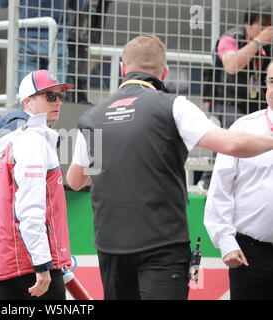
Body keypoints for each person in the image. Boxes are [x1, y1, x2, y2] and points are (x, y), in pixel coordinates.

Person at [67, 34, 273, 300]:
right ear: (164, 72)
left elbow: (76, 179)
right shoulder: (173, 106)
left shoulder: (93, 117)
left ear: (122, 69)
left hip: (111, 247)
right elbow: (230, 144)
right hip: (161, 246)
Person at [0, 69, 74, 299]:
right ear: (28, 102)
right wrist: (42, 265)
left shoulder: (18, 140)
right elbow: (30, 209)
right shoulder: (32, 141)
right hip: (34, 269)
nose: (58, 102)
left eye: (60, 96)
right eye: (50, 96)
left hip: (14, 266)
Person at [204, 61, 273, 300]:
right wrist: (226, 241)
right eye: (272, 82)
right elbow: (220, 190)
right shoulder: (243, 129)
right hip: (250, 254)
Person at [200, 2, 272, 189]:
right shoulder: (230, 38)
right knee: (235, 128)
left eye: (270, 25)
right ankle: (208, 181)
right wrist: (257, 43)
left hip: (254, 100)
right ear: (248, 25)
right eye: (262, 25)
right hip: (226, 98)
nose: (267, 30)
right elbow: (231, 66)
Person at [0, 0, 77, 84]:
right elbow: (78, 6)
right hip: (57, 39)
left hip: (27, 38)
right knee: (54, 94)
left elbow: (1, 3)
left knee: (28, 94)